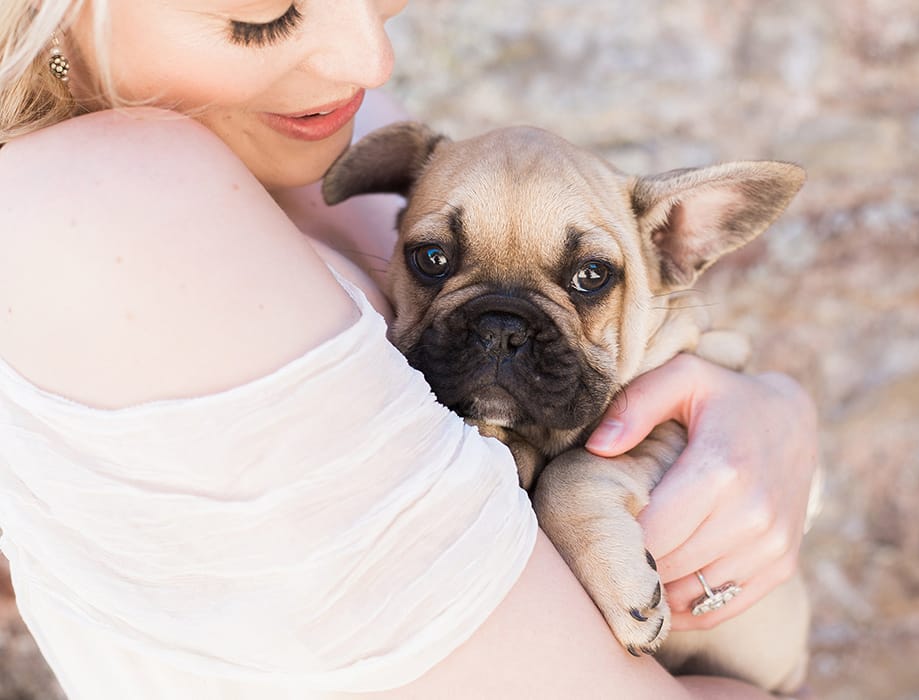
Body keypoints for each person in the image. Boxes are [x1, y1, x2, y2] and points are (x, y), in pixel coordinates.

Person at [0, 1, 821, 698]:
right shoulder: (119, 202)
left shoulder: (321, 122)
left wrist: (763, 413)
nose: (371, 57)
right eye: (265, 15)